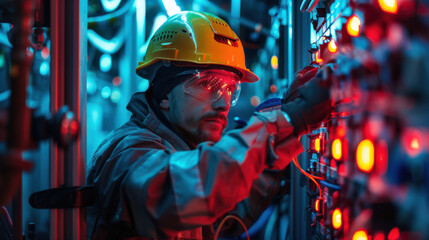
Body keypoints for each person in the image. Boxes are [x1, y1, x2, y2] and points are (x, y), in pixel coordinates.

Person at [87, 11, 330, 239]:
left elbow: (225, 214)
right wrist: (288, 121)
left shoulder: (182, 148)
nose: (223, 103)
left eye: (231, 89)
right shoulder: (125, 152)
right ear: (163, 94)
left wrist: (281, 137)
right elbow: (176, 192)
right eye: (208, 85)